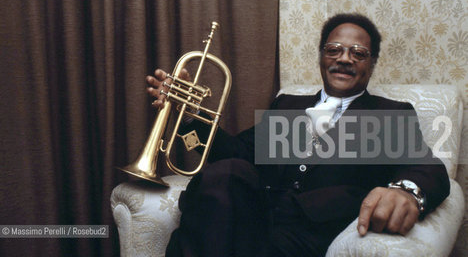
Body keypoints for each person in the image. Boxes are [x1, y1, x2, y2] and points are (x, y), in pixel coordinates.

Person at [146, 13, 450, 256]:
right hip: (252, 215)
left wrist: (407, 191)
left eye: (358, 53)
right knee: (229, 171)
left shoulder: (390, 113)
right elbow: (236, 153)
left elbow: (426, 166)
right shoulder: (288, 104)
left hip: (307, 235)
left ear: (371, 65)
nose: (344, 59)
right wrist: (186, 114)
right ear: (321, 57)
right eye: (334, 50)